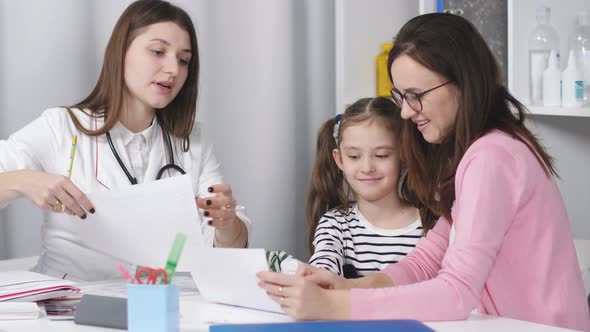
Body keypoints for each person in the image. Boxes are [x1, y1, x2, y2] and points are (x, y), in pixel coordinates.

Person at [258, 13, 590, 331]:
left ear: (462, 83)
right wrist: (347, 288)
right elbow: (427, 260)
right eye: (401, 96)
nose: (405, 111)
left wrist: (332, 307)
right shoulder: (481, 153)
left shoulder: (492, 158)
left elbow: (455, 294)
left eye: (416, 96)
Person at [0, 0, 250, 281]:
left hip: (163, 306)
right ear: (121, 52)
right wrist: (24, 180)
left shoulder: (193, 140)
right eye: (158, 51)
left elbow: (229, 248)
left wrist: (226, 224)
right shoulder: (62, 127)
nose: (173, 70)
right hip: (72, 305)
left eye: (183, 60)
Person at [306, 97, 421, 278]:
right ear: (340, 159)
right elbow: (322, 272)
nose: (367, 168)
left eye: (381, 155)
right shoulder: (335, 225)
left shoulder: (432, 226)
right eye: (354, 156)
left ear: (404, 155)